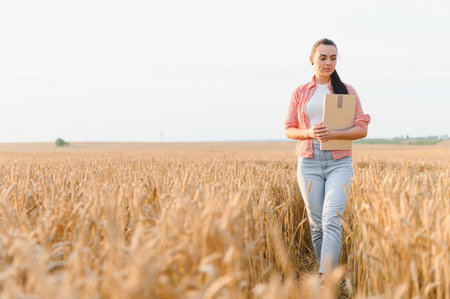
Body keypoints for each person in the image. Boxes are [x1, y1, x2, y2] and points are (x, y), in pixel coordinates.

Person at [284, 38, 370, 281]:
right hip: (308, 160)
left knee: (332, 217)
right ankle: (329, 273)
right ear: (311, 59)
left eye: (333, 57)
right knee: (317, 223)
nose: (328, 62)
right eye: (323, 57)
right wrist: (309, 132)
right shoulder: (300, 92)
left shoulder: (347, 91)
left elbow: (362, 128)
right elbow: (289, 128)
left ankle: (324, 278)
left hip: (339, 161)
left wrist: (334, 134)